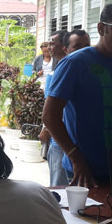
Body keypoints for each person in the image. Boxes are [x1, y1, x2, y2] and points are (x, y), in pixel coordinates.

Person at [43, 2, 112, 188]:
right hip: (86, 173)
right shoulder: (75, 63)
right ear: (101, 28)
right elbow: (49, 116)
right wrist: (76, 159)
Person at [40, 29, 91, 187]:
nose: (49, 47)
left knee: (63, 187)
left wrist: (47, 129)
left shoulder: (81, 72)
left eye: (53, 43)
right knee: (58, 185)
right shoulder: (58, 70)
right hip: (58, 142)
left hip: (67, 143)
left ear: (64, 46)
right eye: (48, 44)